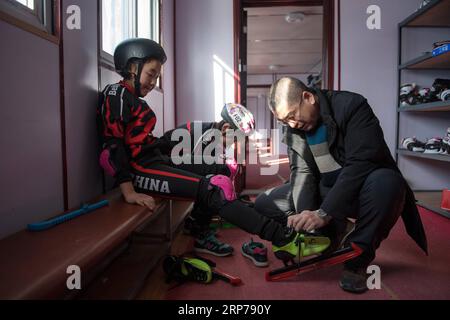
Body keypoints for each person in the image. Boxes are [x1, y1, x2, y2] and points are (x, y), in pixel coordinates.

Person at [96, 38, 300, 259]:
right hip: (139, 170)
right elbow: (111, 148)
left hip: (153, 158)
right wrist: (129, 192)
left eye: (156, 76)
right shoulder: (116, 94)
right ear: (132, 67)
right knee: (214, 190)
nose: (154, 81)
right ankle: (282, 237)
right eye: (151, 74)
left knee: (221, 168)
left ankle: (197, 228)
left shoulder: (135, 100)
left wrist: (213, 128)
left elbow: (157, 142)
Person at [254, 76, 428, 293]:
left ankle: (357, 260)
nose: (291, 124)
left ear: (308, 97)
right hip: (326, 189)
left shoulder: (352, 106)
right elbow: (302, 172)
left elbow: (361, 163)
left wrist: (324, 213)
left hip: (364, 188)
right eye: (284, 122)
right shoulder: (294, 128)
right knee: (264, 203)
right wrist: (307, 217)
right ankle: (333, 234)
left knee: (390, 183)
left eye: (292, 116)